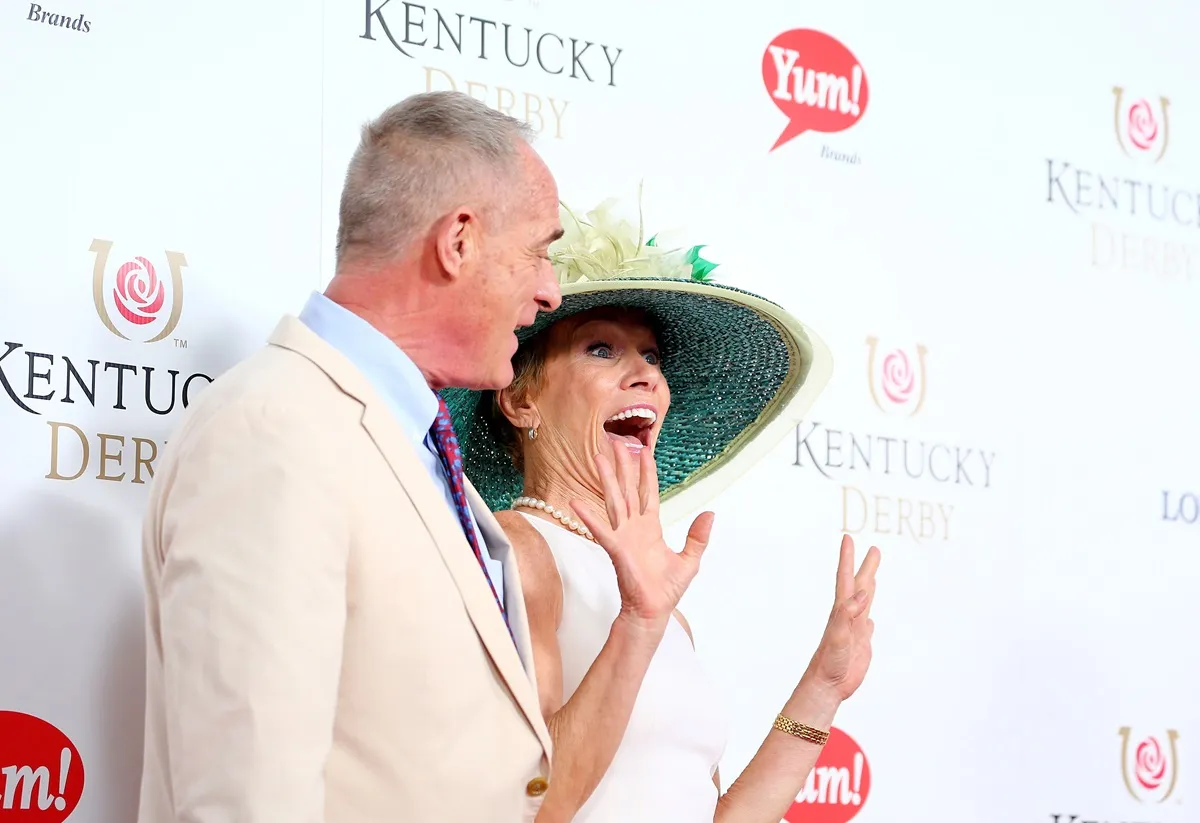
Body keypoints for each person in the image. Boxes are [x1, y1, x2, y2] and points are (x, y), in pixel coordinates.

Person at [137, 91, 568, 823]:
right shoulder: (275, 429)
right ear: (457, 241)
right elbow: (247, 801)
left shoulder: (401, 435)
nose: (550, 291)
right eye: (538, 251)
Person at [442, 195, 882, 823]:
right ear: (519, 398)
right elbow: (526, 804)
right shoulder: (518, 552)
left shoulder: (662, 607)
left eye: (652, 356)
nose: (646, 375)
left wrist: (824, 689)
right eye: (602, 349)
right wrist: (639, 620)